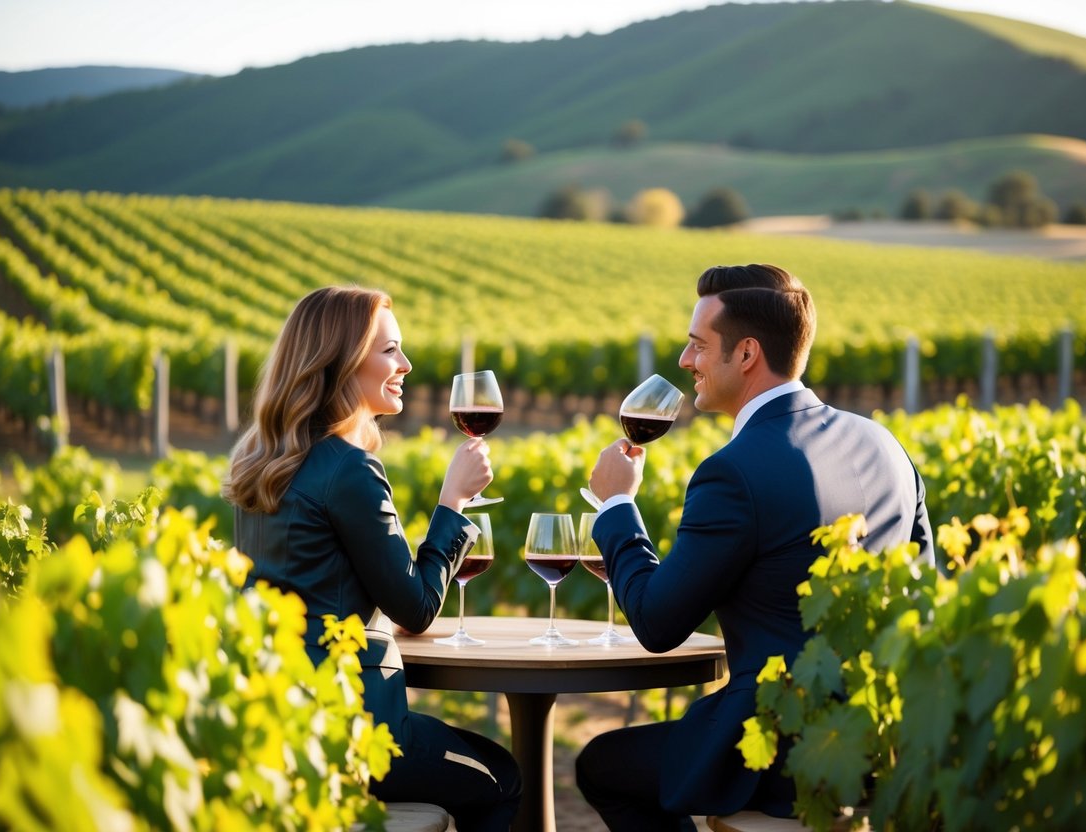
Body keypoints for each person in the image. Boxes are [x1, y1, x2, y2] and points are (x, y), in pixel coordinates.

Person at [576, 264, 934, 830]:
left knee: (601, 765)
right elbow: (922, 590)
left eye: (697, 345)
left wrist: (617, 507)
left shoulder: (732, 474)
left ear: (745, 355)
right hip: (884, 743)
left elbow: (658, 623)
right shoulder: (886, 444)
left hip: (779, 752)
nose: (684, 361)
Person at [223, 285, 521, 832]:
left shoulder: (263, 462)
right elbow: (416, 606)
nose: (405, 364)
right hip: (356, 728)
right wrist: (452, 503)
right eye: (390, 350)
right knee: (502, 780)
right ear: (341, 363)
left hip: (282, 719)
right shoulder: (348, 470)